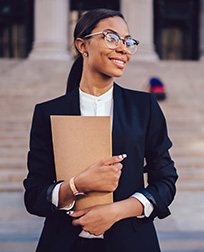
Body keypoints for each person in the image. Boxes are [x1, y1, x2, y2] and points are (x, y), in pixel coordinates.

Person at [24, 8, 178, 252]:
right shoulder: (48, 112)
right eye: (111, 37)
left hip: (133, 244)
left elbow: (166, 182)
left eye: (128, 41)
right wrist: (77, 185)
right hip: (65, 244)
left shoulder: (145, 107)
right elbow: (34, 196)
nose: (123, 48)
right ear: (82, 45)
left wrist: (115, 212)